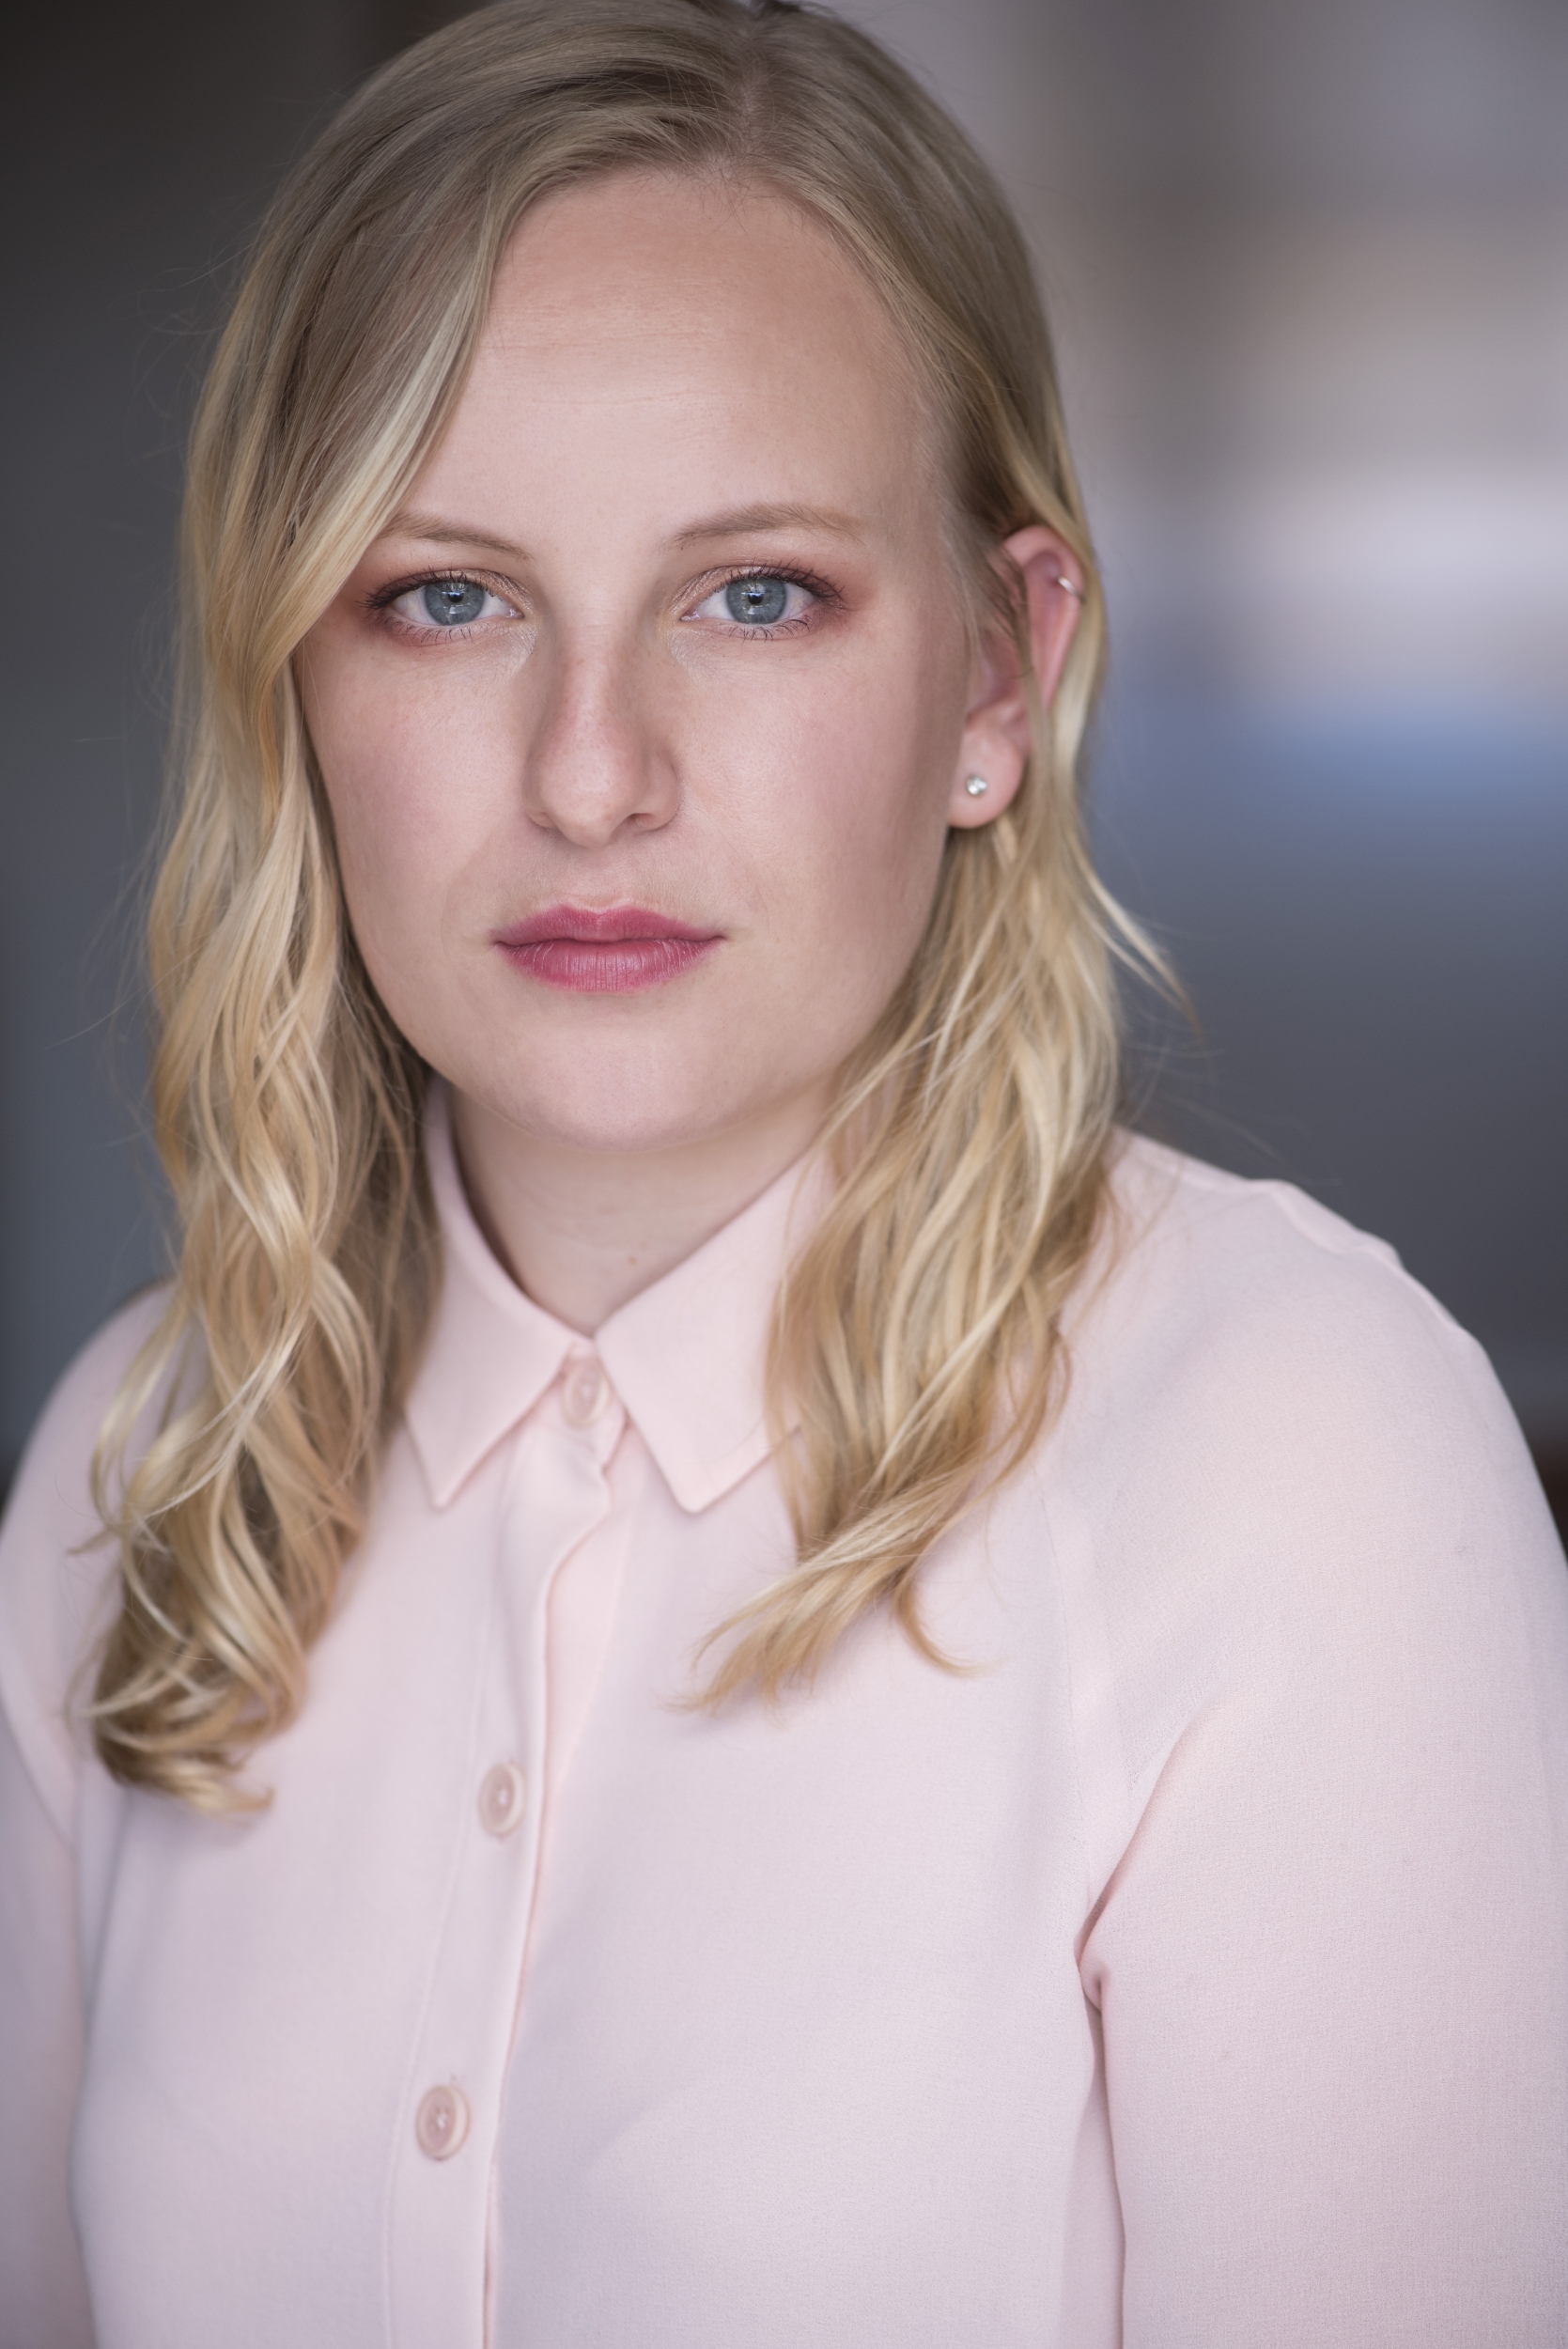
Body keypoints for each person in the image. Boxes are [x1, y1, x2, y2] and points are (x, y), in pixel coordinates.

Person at [2, 0, 1565, 2341]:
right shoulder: (135, 1466)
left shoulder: (1303, 1453)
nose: (594, 768)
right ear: (289, 678)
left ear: (992, 681)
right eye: (446, 595)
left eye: (755, 594)